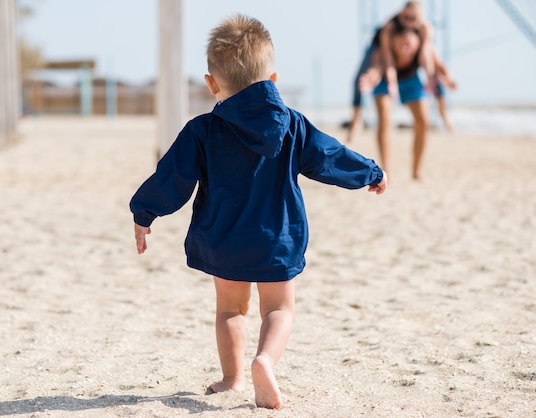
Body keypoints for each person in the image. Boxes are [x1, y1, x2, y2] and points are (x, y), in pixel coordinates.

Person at [129, 14, 387, 410]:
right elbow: (329, 156)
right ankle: (264, 360)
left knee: (231, 309)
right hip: (277, 240)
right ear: (273, 80)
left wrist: (144, 213)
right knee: (279, 308)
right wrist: (369, 172)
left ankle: (231, 378)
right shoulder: (293, 126)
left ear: (212, 83)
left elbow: (173, 176)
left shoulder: (203, 130)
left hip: (224, 239)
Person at [347, 0, 437, 143]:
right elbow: (387, 57)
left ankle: (444, 114)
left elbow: (426, 53)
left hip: (403, 52)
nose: (409, 22)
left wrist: (430, 76)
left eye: (413, 19)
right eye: (406, 17)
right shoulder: (390, 26)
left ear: (420, 18)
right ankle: (355, 120)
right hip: (379, 48)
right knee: (359, 80)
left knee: (436, 66)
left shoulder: (425, 28)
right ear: (401, 14)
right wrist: (391, 81)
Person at [359, 27, 434, 179]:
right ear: (392, 43)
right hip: (385, 79)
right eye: (401, 44)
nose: (405, 48)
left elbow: (439, 66)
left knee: (423, 121)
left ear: (417, 44)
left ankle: (416, 171)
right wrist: (370, 77)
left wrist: (447, 78)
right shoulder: (382, 51)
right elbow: (376, 67)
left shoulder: (423, 49)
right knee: (385, 118)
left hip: (410, 79)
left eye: (409, 45)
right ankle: (386, 169)